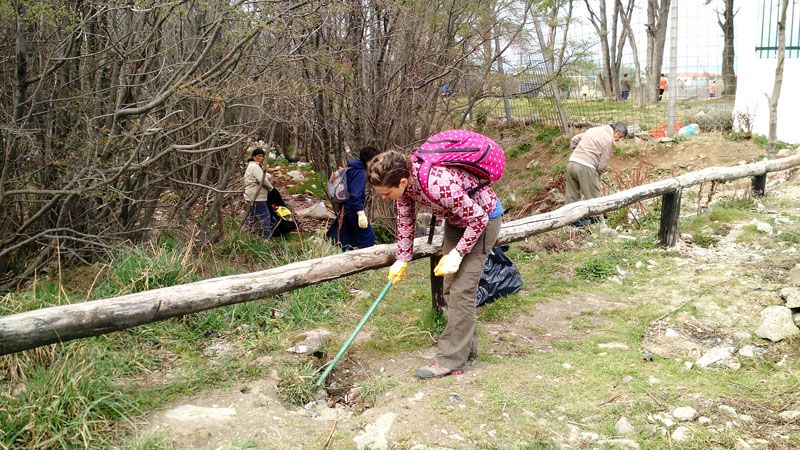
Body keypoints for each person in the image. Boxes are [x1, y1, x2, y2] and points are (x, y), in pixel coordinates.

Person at [367, 150, 503, 379]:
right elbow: (406, 221)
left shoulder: (437, 184)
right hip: (458, 221)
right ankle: (466, 347)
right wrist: (402, 258)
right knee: (450, 287)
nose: (383, 197)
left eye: (386, 193)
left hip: (484, 220)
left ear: (401, 181)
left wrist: (458, 254)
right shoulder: (405, 189)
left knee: (462, 291)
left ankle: (450, 359)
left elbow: (478, 218)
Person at [565, 122, 628, 209]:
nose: (618, 140)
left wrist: (579, 153)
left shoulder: (594, 130)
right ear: (617, 133)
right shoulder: (609, 139)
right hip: (586, 166)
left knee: (571, 195)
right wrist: (596, 176)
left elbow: (574, 140)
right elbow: (602, 165)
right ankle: (597, 220)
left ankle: (572, 220)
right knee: (594, 198)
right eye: (620, 137)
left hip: (572, 162)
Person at [336, 146, 381, 250]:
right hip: (354, 209)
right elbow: (356, 193)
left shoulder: (351, 168)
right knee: (368, 236)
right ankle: (368, 260)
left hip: (345, 207)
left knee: (347, 238)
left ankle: (347, 259)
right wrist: (360, 212)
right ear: (369, 160)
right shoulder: (360, 172)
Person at [243, 148, 274, 238]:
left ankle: (249, 235)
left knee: (252, 216)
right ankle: (266, 237)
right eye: (259, 156)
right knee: (265, 216)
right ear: (253, 157)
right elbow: (261, 179)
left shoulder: (253, 166)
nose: (261, 158)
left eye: (262, 156)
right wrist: (271, 188)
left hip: (251, 196)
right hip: (257, 197)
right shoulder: (254, 166)